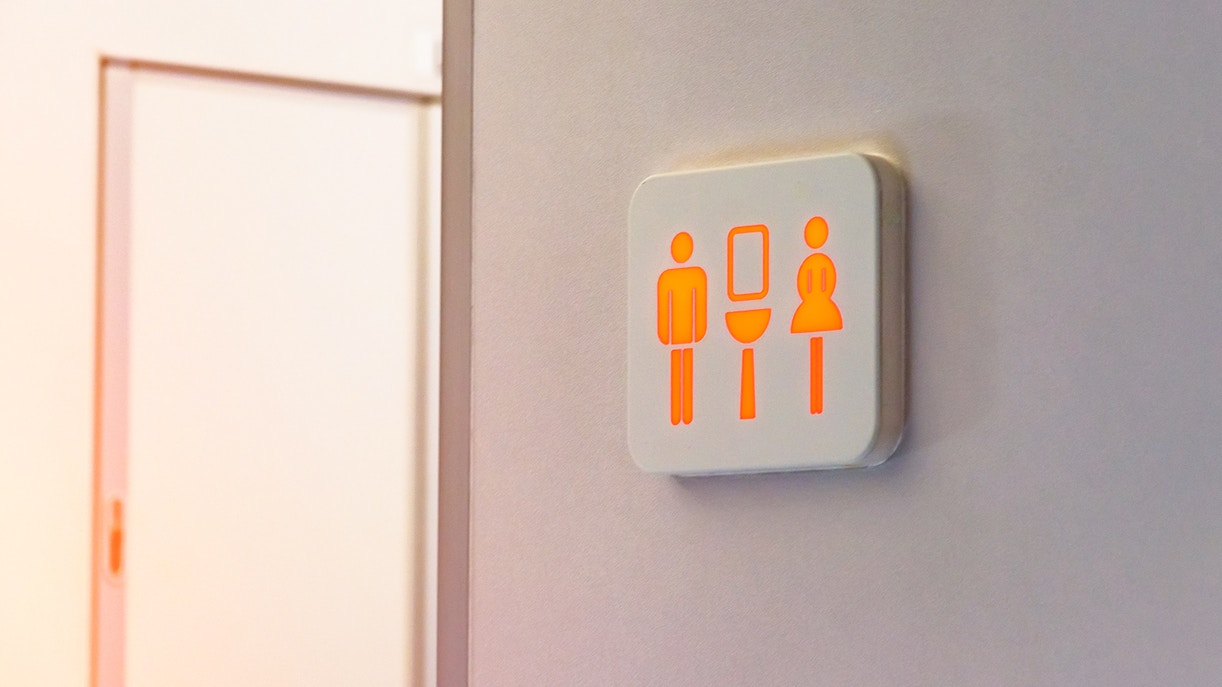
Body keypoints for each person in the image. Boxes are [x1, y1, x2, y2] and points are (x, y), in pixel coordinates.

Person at [790, 216, 842, 414]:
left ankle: (816, 403)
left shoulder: (812, 263)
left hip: (812, 309)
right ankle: (816, 403)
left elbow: (805, 286)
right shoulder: (822, 262)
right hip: (821, 308)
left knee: (816, 352)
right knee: (815, 352)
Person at [657, 232, 707, 425]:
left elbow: (699, 304)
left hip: (688, 332)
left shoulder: (697, 275)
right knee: (677, 369)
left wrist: (700, 330)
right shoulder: (667, 278)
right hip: (676, 334)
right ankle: (678, 414)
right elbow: (664, 305)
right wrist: (664, 334)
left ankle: (685, 414)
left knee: (686, 369)